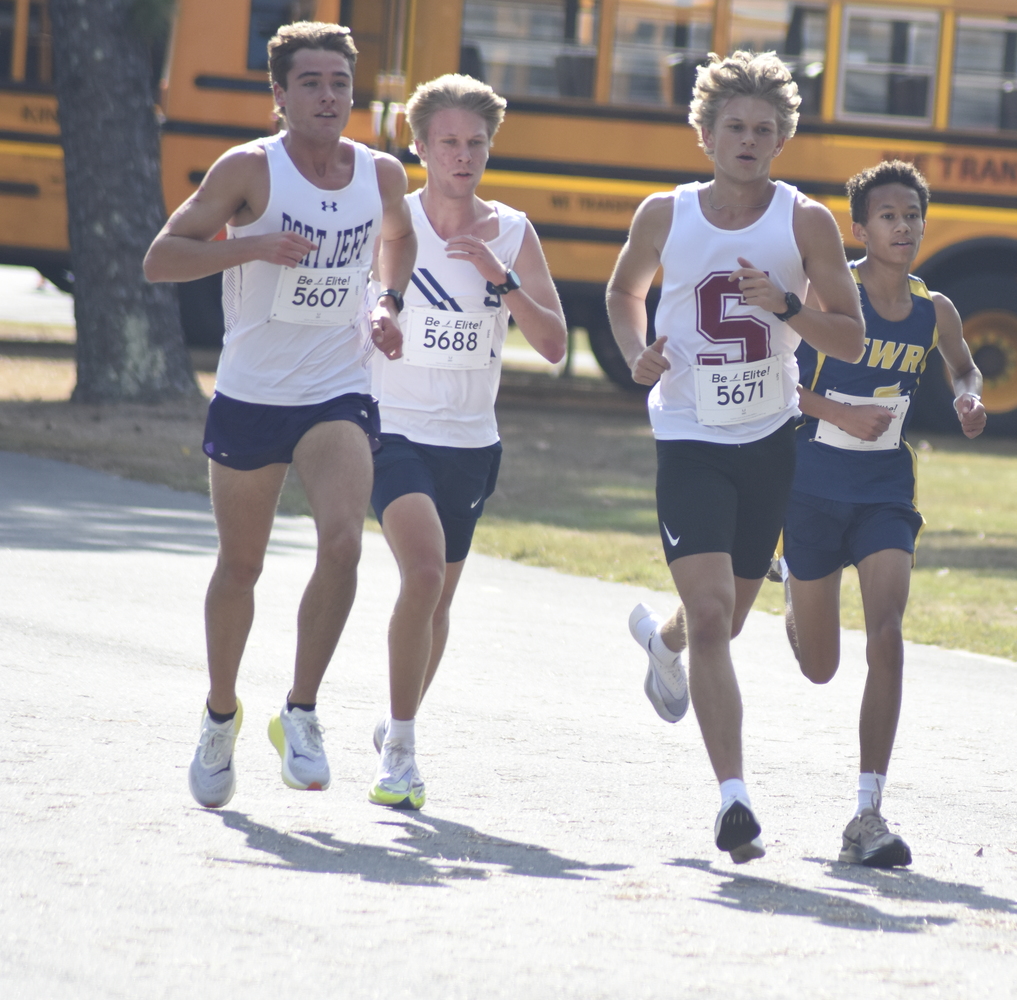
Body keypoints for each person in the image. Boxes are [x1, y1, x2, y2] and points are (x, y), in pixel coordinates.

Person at [143, 21, 416, 809]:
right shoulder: (248, 170)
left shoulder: (381, 173)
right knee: (242, 567)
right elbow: (162, 257)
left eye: (339, 82)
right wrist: (250, 247)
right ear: (279, 95)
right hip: (252, 393)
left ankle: (300, 712)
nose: (328, 96)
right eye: (311, 83)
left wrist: (385, 302)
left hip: (337, 390)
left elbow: (396, 239)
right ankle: (220, 714)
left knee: (343, 544)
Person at [607, 51, 866, 863]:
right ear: (706, 134)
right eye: (735, 128)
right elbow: (623, 293)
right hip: (687, 436)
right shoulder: (665, 213)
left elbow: (851, 338)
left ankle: (664, 644)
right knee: (716, 613)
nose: (749, 141)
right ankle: (734, 802)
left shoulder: (804, 222)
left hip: (768, 440)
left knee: (721, 617)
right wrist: (636, 351)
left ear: (782, 138)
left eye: (764, 129)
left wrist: (787, 304)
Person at [364, 74, 567, 810]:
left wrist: (500, 276)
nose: (462, 155)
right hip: (393, 430)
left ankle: (392, 723)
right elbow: (358, 307)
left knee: (438, 598)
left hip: (472, 441)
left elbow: (552, 343)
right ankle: (403, 758)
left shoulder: (511, 231)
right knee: (421, 577)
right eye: (447, 142)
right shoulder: (392, 222)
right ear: (418, 148)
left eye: (475, 142)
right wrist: (376, 322)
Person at [779, 161, 986, 867]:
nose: (905, 227)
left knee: (889, 633)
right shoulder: (828, 296)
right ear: (860, 230)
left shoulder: (937, 310)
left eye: (914, 216)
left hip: (885, 489)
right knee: (819, 668)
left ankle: (868, 813)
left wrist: (968, 396)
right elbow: (776, 381)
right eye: (889, 217)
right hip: (809, 484)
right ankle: (793, 591)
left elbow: (962, 364)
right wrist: (838, 410)